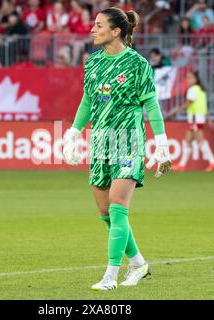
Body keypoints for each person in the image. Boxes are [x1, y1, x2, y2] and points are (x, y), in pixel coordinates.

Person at [62, 7, 171, 291]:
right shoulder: (93, 63)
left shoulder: (138, 64)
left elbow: (151, 104)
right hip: (100, 143)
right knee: (105, 213)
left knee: (118, 207)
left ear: (116, 31)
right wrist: (74, 132)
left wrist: (161, 143)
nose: (92, 29)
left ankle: (110, 275)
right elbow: (88, 101)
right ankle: (138, 263)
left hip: (128, 142)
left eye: (98, 25)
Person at [167, 71, 214, 172]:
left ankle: (213, 162)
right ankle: (182, 165)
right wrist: (208, 119)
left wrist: (175, 110)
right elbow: (204, 107)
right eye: (187, 78)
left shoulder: (192, 89)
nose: (188, 80)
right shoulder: (201, 90)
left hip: (195, 118)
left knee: (200, 140)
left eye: (190, 78)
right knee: (187, 141)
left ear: (195, 79)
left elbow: (188, 103)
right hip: (199, 118)